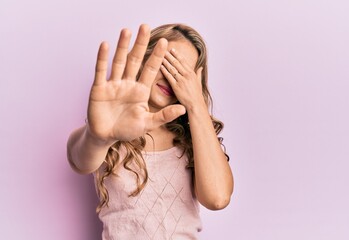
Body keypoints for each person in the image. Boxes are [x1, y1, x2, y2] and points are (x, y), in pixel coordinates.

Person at [67, 23, 234, 240]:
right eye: (166, 63)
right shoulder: (112, 128)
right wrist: (98, 137)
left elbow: (218, 198)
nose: (170, 78)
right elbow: (78, 159)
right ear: (146, 58)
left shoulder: (191, 139)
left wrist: (196, 105)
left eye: (182, 73)